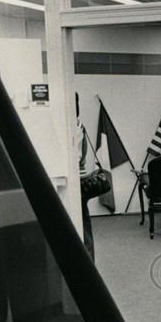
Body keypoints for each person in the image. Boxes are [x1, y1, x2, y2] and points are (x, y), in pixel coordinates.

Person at [76, 104, 95, 261]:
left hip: (77, 179)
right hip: (79, 176)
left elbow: (77, 156)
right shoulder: (79, 126)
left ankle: (88, 260)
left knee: (82, 224)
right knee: (83, 223)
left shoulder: (75, 127)